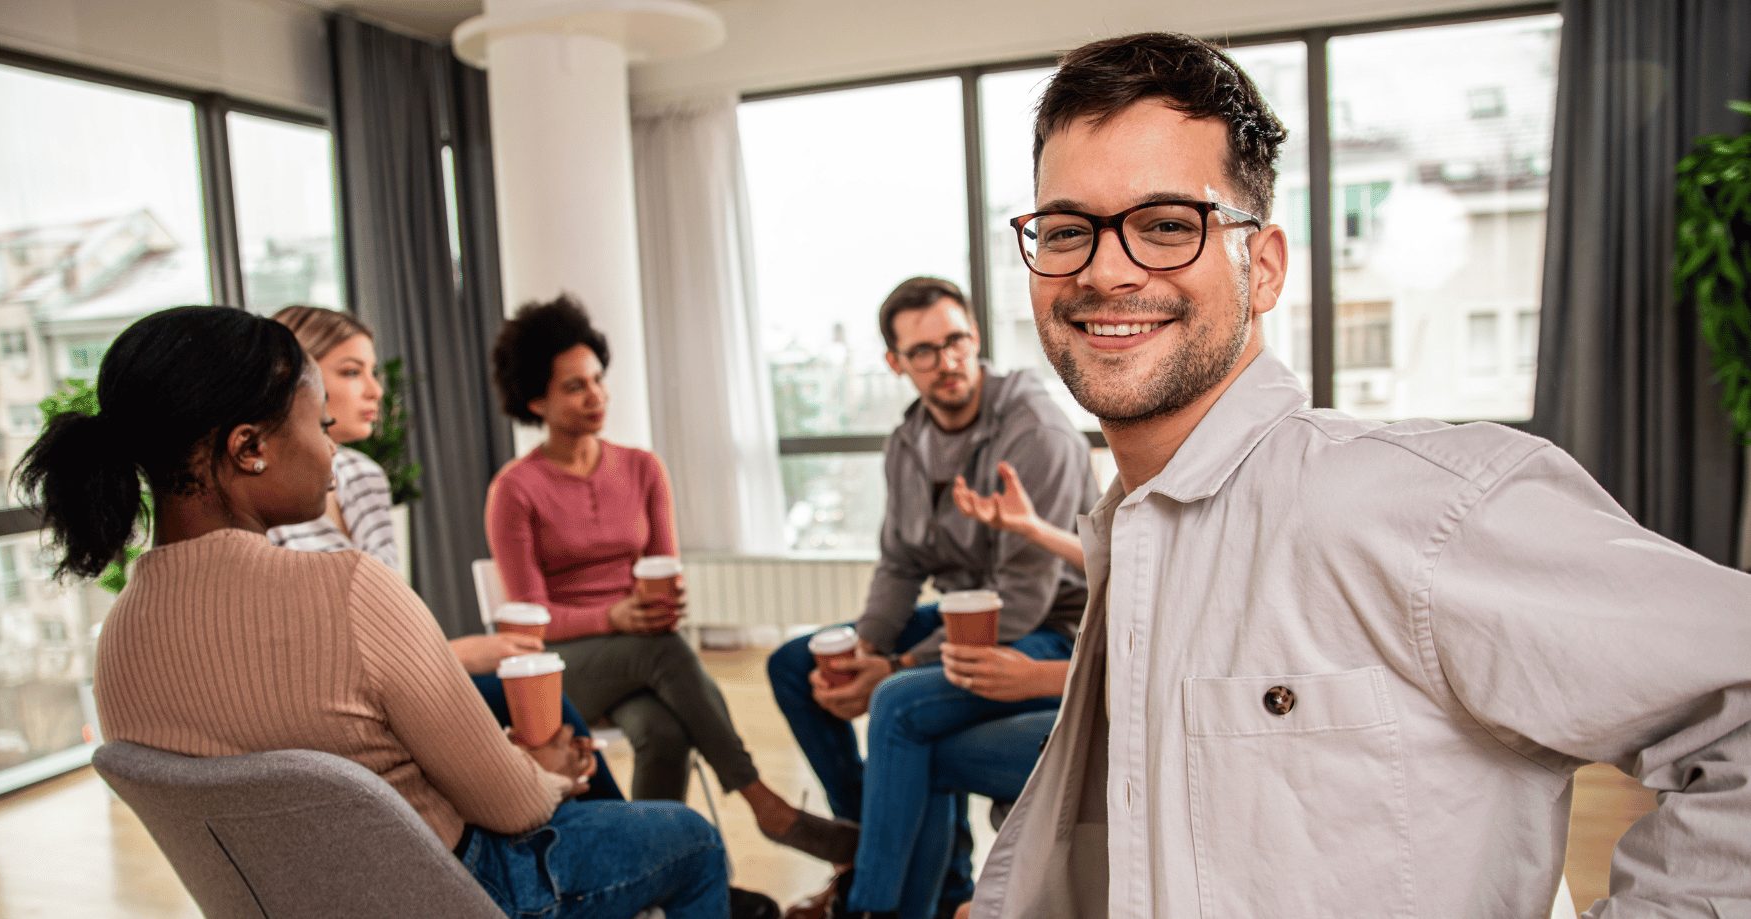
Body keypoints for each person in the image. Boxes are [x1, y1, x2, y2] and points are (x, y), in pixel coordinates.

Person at [972, 31, 1751, 918]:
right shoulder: (1131, 527)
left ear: (1260, 269)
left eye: (1164, 226)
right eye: (1068, 230)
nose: (1105, 270)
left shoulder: (1416, 508)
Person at [21, 306, 730, 919]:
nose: (332, 447)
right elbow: (514, 809)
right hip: (470, 891)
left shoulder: (118, 637)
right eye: (318, 423)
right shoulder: (349, 588)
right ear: (249, 446)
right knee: (691, 838)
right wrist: (548, 771)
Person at [767, 277, 1098, 919]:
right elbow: (900, 561)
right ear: (896, 362)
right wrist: (868, 645)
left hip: (1048, 628)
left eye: (956, 341)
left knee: (897, 700)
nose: (947, 362)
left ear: (976, 338)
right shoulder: (908, 441)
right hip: (963, 611)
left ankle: (874, 902)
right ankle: (876, 844)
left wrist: (894, 668)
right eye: (924, 351)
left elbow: (1021, 605)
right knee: (792, 663)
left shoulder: (1035, 433)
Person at [485, 295, 855, 864]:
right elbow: (531, 622)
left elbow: (664, 567)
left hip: (645, 659)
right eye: (575, 387)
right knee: (659, 652)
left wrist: (664, 603)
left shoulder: (642, 468)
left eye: (598, 380)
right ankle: (764, 803)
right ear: (536, 399)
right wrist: (613, 617)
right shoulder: (515, 489)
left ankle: (650, 865)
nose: (597, 396)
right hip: (568, 668)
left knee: (664, 731)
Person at [266, 305, 624, 801]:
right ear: (296, 379)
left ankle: (595, 833)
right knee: (522, 708)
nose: (375, 390)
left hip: (402, 685)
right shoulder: (269, 501)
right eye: (351, 373)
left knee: (545, 706)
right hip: (349, 712)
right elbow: (319, 657)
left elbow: (391, 618)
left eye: (372, 371)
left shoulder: (364, 478)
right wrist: (457, 656)